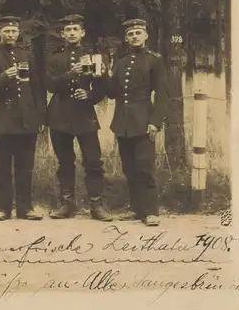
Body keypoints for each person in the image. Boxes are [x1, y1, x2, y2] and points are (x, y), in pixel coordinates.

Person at [45, 14, 112, 221]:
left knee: (93, 161)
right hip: (59, 115)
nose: (72, 33)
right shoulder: (54, 58)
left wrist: (90, 95)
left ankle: (97, 205)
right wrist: (71, 74)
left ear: (82, 33)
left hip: (85, 116)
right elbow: (50, 85)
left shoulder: (94, 56)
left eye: (75, 29)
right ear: (62, 34)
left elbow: (102, 89)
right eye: (68, 30)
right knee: (65, 162)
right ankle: (66, 204)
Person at [0, 16, 47, 221]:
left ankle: (25, 208)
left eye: (14, 31)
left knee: (25, 166)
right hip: (4, 120)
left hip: (27, 120)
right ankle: (2, 208)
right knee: (3, 167)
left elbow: (37, 88)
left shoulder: (26, 55)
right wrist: (4, 77)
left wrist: (40, 117)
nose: (10, 35)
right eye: (6, 31)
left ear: (19, 33)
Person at [105, 19, 168, 227]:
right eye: (131, 34)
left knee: (145, 166)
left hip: (143, 121)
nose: (134, 37)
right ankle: (137, 209)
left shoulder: (154, 60)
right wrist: (104, 78)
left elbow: (161, 94)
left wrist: (155, 122)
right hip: (122, 122)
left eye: (138, 33)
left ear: (146, 35)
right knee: (129, 167)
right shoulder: (121, 62)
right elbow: (113, 93)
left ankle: (151, 211)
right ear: (126, 38)